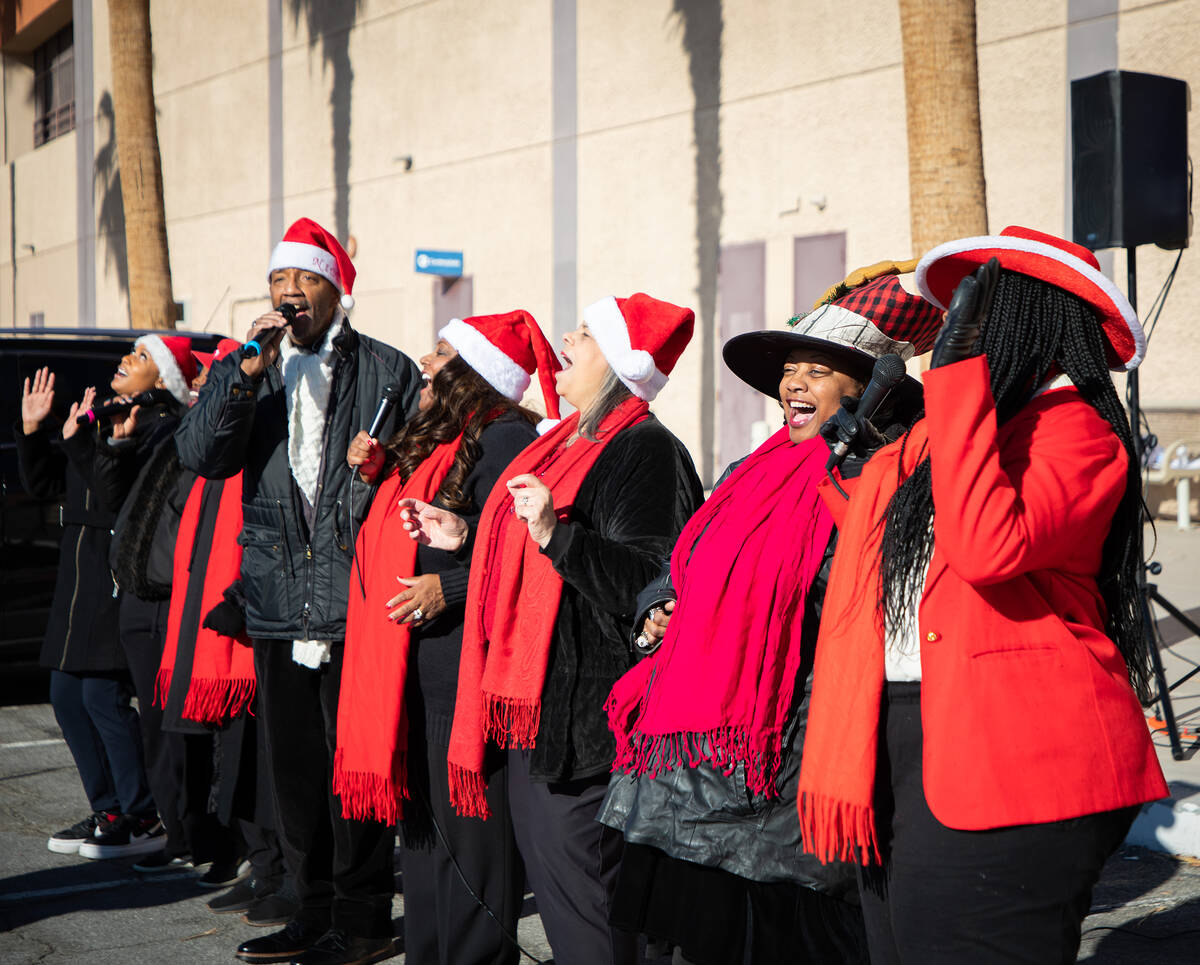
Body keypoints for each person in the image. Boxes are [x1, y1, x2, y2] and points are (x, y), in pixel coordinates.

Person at [797, 226, 1170, 964]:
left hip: (1019, 753)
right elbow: (899, 556)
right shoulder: (964, 429)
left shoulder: (1079, 435)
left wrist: (960, 381)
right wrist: (861, 461)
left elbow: (984, 546)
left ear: (1035, 319)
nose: (964, 333)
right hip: (909, 734)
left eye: (984, 313)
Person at [599, 270, 940, 964]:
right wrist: (660, 608)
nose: (795, 384)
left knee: (781, 938)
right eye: (790, 371)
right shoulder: (748, 471)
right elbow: (685, 559)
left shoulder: (878, 474)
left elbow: (859, 599)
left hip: (787, 755)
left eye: (817, 371)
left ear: (864, 389)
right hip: (688, 766)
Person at [400, 293, 704, 965]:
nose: (566, 338)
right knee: (572, 911)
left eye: (588, 334)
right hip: (541, 724)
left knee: (593, 917)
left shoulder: (645, 448)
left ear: (622, 365)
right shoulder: (570, 442)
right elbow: (532, 559)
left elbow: (653, 584)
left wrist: (554, 535)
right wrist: (469, 536)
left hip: (590, 732)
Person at [175, 217, 421, 965]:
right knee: (296, 776)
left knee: (355, 770)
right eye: (277, 282)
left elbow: (422, 462)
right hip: (280, 605)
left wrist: (385, 464)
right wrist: (239, 376)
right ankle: (311, 912)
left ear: (334, 288)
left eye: (302, 281)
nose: (287, 295)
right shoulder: (256, 370)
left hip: (354, 604)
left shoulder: (388, 368)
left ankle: (365, 916)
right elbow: (202, 455)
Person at [336, 310, 560, 965]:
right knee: (431, 855)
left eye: (441, 354)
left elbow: (524, 554)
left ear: (476, 370)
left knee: (474, 862)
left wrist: (449, 590)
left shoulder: (507, 437)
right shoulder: (456, 435)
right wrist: (378, 471)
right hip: (426, 674)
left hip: (465, 686)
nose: (427, 365)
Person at [15, 368, 155, 856]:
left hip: (111, 577)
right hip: (75, 581)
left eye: (138, 354)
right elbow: (43, 482)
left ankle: (144, 813)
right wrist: (35, 432)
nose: (124, 363)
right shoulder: (100, 418)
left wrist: (84, 440)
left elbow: (114, 493)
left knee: (103, 698)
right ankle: (109, 808)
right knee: (66, 697)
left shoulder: (150, 420)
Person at [85, 333, 200, 862]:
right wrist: (114, 444)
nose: (128, 359)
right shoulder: (140, 429)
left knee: (166, 725)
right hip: (134, 595)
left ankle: (186, 834)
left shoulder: (180, 431)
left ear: (166, 382)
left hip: (164, 599)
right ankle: (173, 830)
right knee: (154, 726)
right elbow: (112, 501)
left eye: (144, 356)